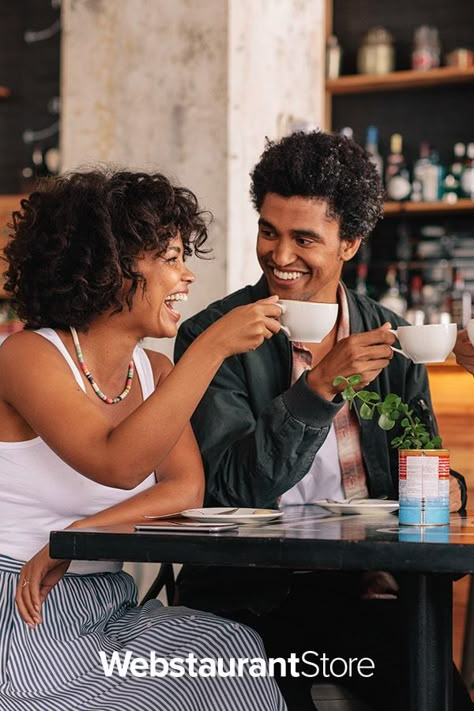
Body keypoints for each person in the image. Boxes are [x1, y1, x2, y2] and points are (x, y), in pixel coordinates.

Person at [174, 131, 472, 710]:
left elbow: (424, 471)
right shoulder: (214, 336)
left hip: (369, 589)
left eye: (304, 238)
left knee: (438, 696)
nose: (280, 257)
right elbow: (223, 492)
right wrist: (315, 391)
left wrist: (445, 492)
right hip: (253, 594)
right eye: (269, 231)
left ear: (350, 243)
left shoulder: (392, 340)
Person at [0, 170, 287, 711]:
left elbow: (185, 491)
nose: (186, 276)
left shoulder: (152, 369)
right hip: (20, 610)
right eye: (172, 258)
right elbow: (119, 465)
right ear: (115, 266)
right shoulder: (27, 357)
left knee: (232, 648)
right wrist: (211, 348)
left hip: (104, 602)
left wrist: (79, 535)